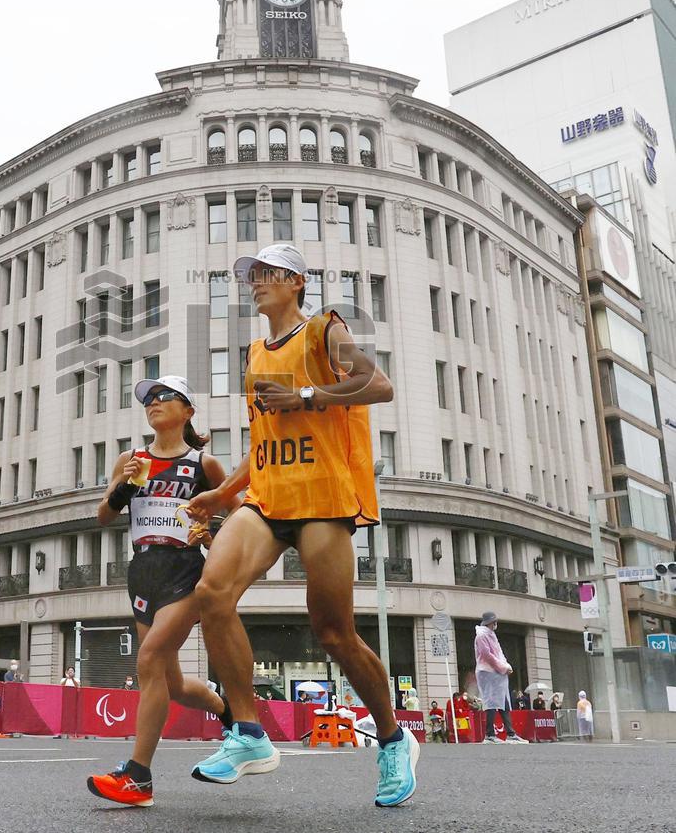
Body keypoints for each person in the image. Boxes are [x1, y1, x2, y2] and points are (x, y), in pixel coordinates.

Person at [186, 244, 419, 807]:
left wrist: (307, 395)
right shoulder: (255, 351)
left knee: (334, 632)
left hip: (322, 497)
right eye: (252, 276)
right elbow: (265, 438)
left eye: (267, 275)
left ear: (295, 281)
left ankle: (393, 739)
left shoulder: (323, 331)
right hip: (268, 495)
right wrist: (223, 491)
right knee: (211, 594)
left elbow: (379, 385)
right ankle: (247, 733)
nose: (256, 283)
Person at [86, 375, 233, 808]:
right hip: (143, 572)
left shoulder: (204, 466)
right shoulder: (131, 459)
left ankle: (138, 778)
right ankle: (227, 711)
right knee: (167, 682)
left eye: (163, 396)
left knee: (148, 661)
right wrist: (125, 487)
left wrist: (212, 533)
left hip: (185, 572)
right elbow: (102, 516)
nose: (153, 403)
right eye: (148, 398)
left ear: (187, 410)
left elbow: (240, 517)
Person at [474, 612, 528, 743]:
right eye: (494, 622)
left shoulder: (491, 635)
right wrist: (503, 667)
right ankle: (490, 734)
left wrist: (505, 666)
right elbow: (487, 656)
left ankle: (510, 733)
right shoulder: (482, 636)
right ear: (489, 623)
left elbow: (498, 653)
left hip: (496, 673)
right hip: (488, 673)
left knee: (503, 702)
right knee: (492, 702)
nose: (495, 624)